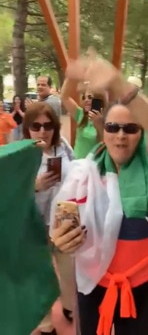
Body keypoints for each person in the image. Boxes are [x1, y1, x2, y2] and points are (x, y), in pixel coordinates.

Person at [50, 52, 148, 335]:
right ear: (102, 131)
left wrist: (118, 85)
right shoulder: (83, 172)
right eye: (113, 127)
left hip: (144, 280)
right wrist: (60, 240)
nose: (120, 135)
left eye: (131, 128)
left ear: (141, 133)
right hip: (94, 280)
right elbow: (63, 224)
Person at [22, 102, 75, 335]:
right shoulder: (21, 154)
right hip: (33, 225)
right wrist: (33, 186)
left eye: (47, 125)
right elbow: (8, 191)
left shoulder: (64, 148)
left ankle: (70, 306)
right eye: (36, 126)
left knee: (69, 270)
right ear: (28, 129)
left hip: (63, 222)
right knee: (40, 276)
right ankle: (45, 325)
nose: (42, 131)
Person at [61, 76, 107, 158]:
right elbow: (64, 97)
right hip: (77, 165)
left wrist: (99, 124)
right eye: (84, 97)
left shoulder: (107, 120)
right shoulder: (80, 114)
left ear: (99, 99)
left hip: (93, 166)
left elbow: (105, 146)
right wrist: (70, 75)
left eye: (90, 97)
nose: (86, 100)